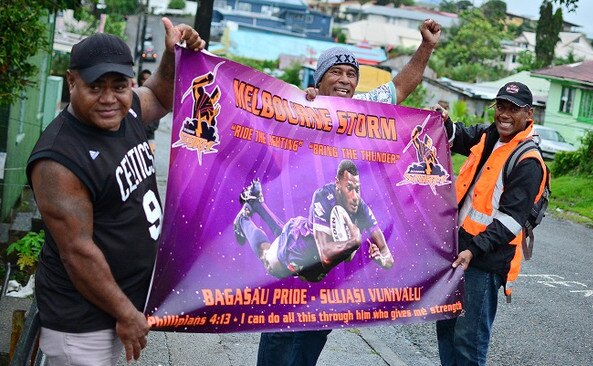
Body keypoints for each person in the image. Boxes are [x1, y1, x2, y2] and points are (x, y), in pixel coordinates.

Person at [256, 18, 442, 366]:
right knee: (281, 320)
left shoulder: (365, 110)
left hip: (333, 244)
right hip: (299, 232)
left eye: (351, 74)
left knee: (318, 324)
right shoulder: (297, 107)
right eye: (336, 72)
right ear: (319, 79)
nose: (344, 80)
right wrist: (305, 102)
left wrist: (427, 47)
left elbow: (403, 85)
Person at [26, 19, 205, 365]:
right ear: (72, 82)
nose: (109, 99)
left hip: (119, 307)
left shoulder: (128, 111)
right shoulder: (59, 161)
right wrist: (126, 314)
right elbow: (78, 252)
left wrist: (171, 55)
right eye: (96, 87)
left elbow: (159, 95)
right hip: (83, 325)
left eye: (119, 85)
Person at [434, 82, 548, 366]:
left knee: (469, 342)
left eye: (513, 108)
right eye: (501, 106)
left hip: (483, 262)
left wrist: (473, 251)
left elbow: (511, 221)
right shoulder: (489, 136)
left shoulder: (528, 161)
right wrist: (443, 121)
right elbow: (457, 136)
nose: (505, 114)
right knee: (446, 328)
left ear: (529, 113)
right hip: (458, 252)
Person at [234, 160, 393, 282]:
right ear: (337, 184)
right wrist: (353, 242)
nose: (354, 196)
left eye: (357, 189)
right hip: (296, 248)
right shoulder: (323, 196)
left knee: (282, 235)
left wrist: (382, 260)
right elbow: (326, 255)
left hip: (304, 243)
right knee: (267, 260)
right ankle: (242, 221)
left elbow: (388, 258)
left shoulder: (359, 205)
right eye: (349, 188)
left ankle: (255, 202)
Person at [137, 69, 160, 153]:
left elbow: (155, 122)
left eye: (148, 79)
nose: (145, 81)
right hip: (135, 138)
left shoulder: (155, 97)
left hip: (149, 138)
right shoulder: (134, 96)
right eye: (143, 79)